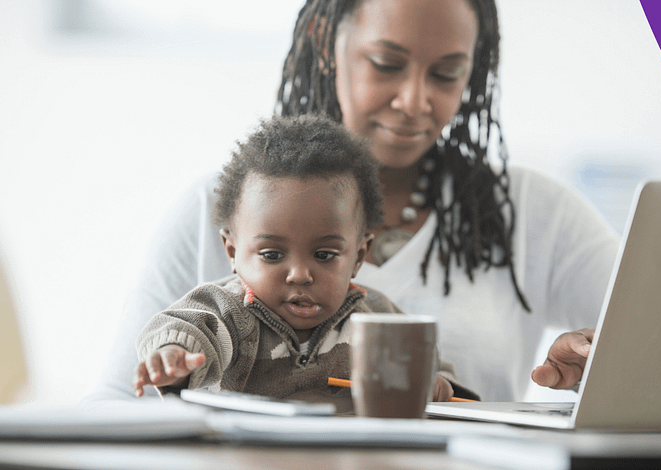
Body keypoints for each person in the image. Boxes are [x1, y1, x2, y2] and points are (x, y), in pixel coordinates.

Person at [81, 0, 618, 405]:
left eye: (447, 73)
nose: (414, 101)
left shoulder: (534, 212)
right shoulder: (216, 207)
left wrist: (606, 365)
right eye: (386, 63)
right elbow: (115, 404)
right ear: (323, 38)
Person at [132, 115, 463, 410]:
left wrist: (436, 383)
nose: (300, 275)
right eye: (272, 255)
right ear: (232, 252)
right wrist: (174, 355)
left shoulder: (376, 318)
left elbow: (427, 362)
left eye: (324, 255)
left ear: (358, 257)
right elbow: (188, 327)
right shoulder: (228, 310)